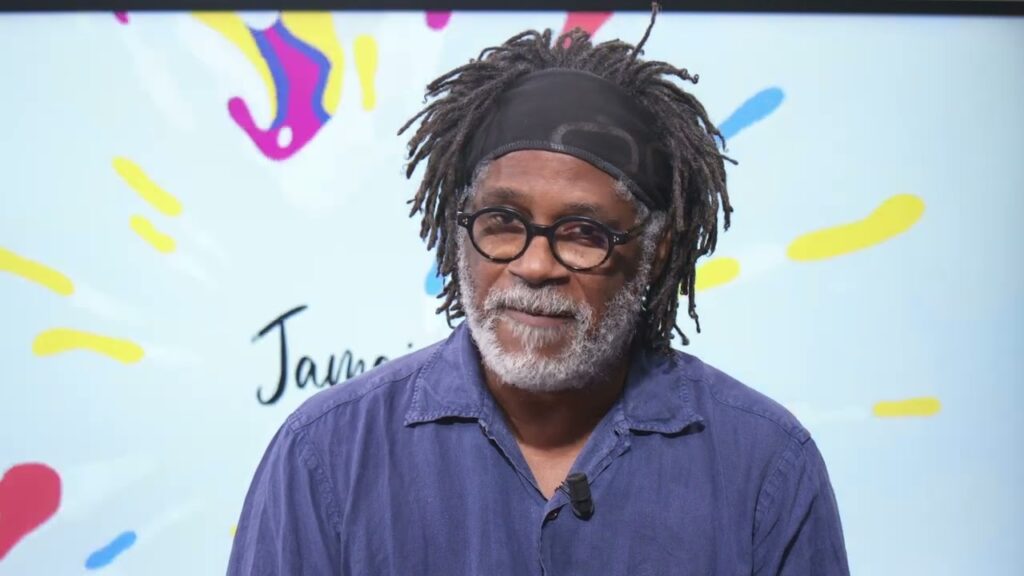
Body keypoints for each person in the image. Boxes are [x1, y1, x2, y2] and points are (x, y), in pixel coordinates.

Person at [228, 8, 849, 575]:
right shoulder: (325, 456)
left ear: (655, 251)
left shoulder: (767, 465)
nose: (534, 264)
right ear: (460, 230)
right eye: (502, 222)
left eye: (583, 233)